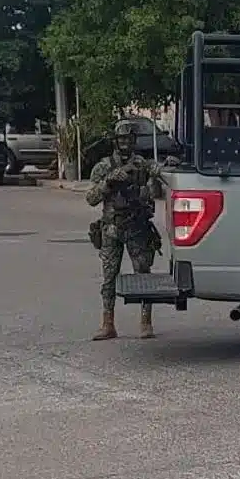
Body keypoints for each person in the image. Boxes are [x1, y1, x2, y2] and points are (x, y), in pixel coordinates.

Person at [86, 121, 166, 340]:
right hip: (112, 228)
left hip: (136, 228)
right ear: (115, 141)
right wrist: (108, 182)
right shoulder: (104, 167)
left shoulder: (141, 164)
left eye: (128, 140)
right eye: (121, 140)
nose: (124, 144)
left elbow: (157, 183)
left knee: (143, 275)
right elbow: (91, 198)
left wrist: (157, 175)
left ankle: (145, 321)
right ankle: (107, 323)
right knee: (109, 277)